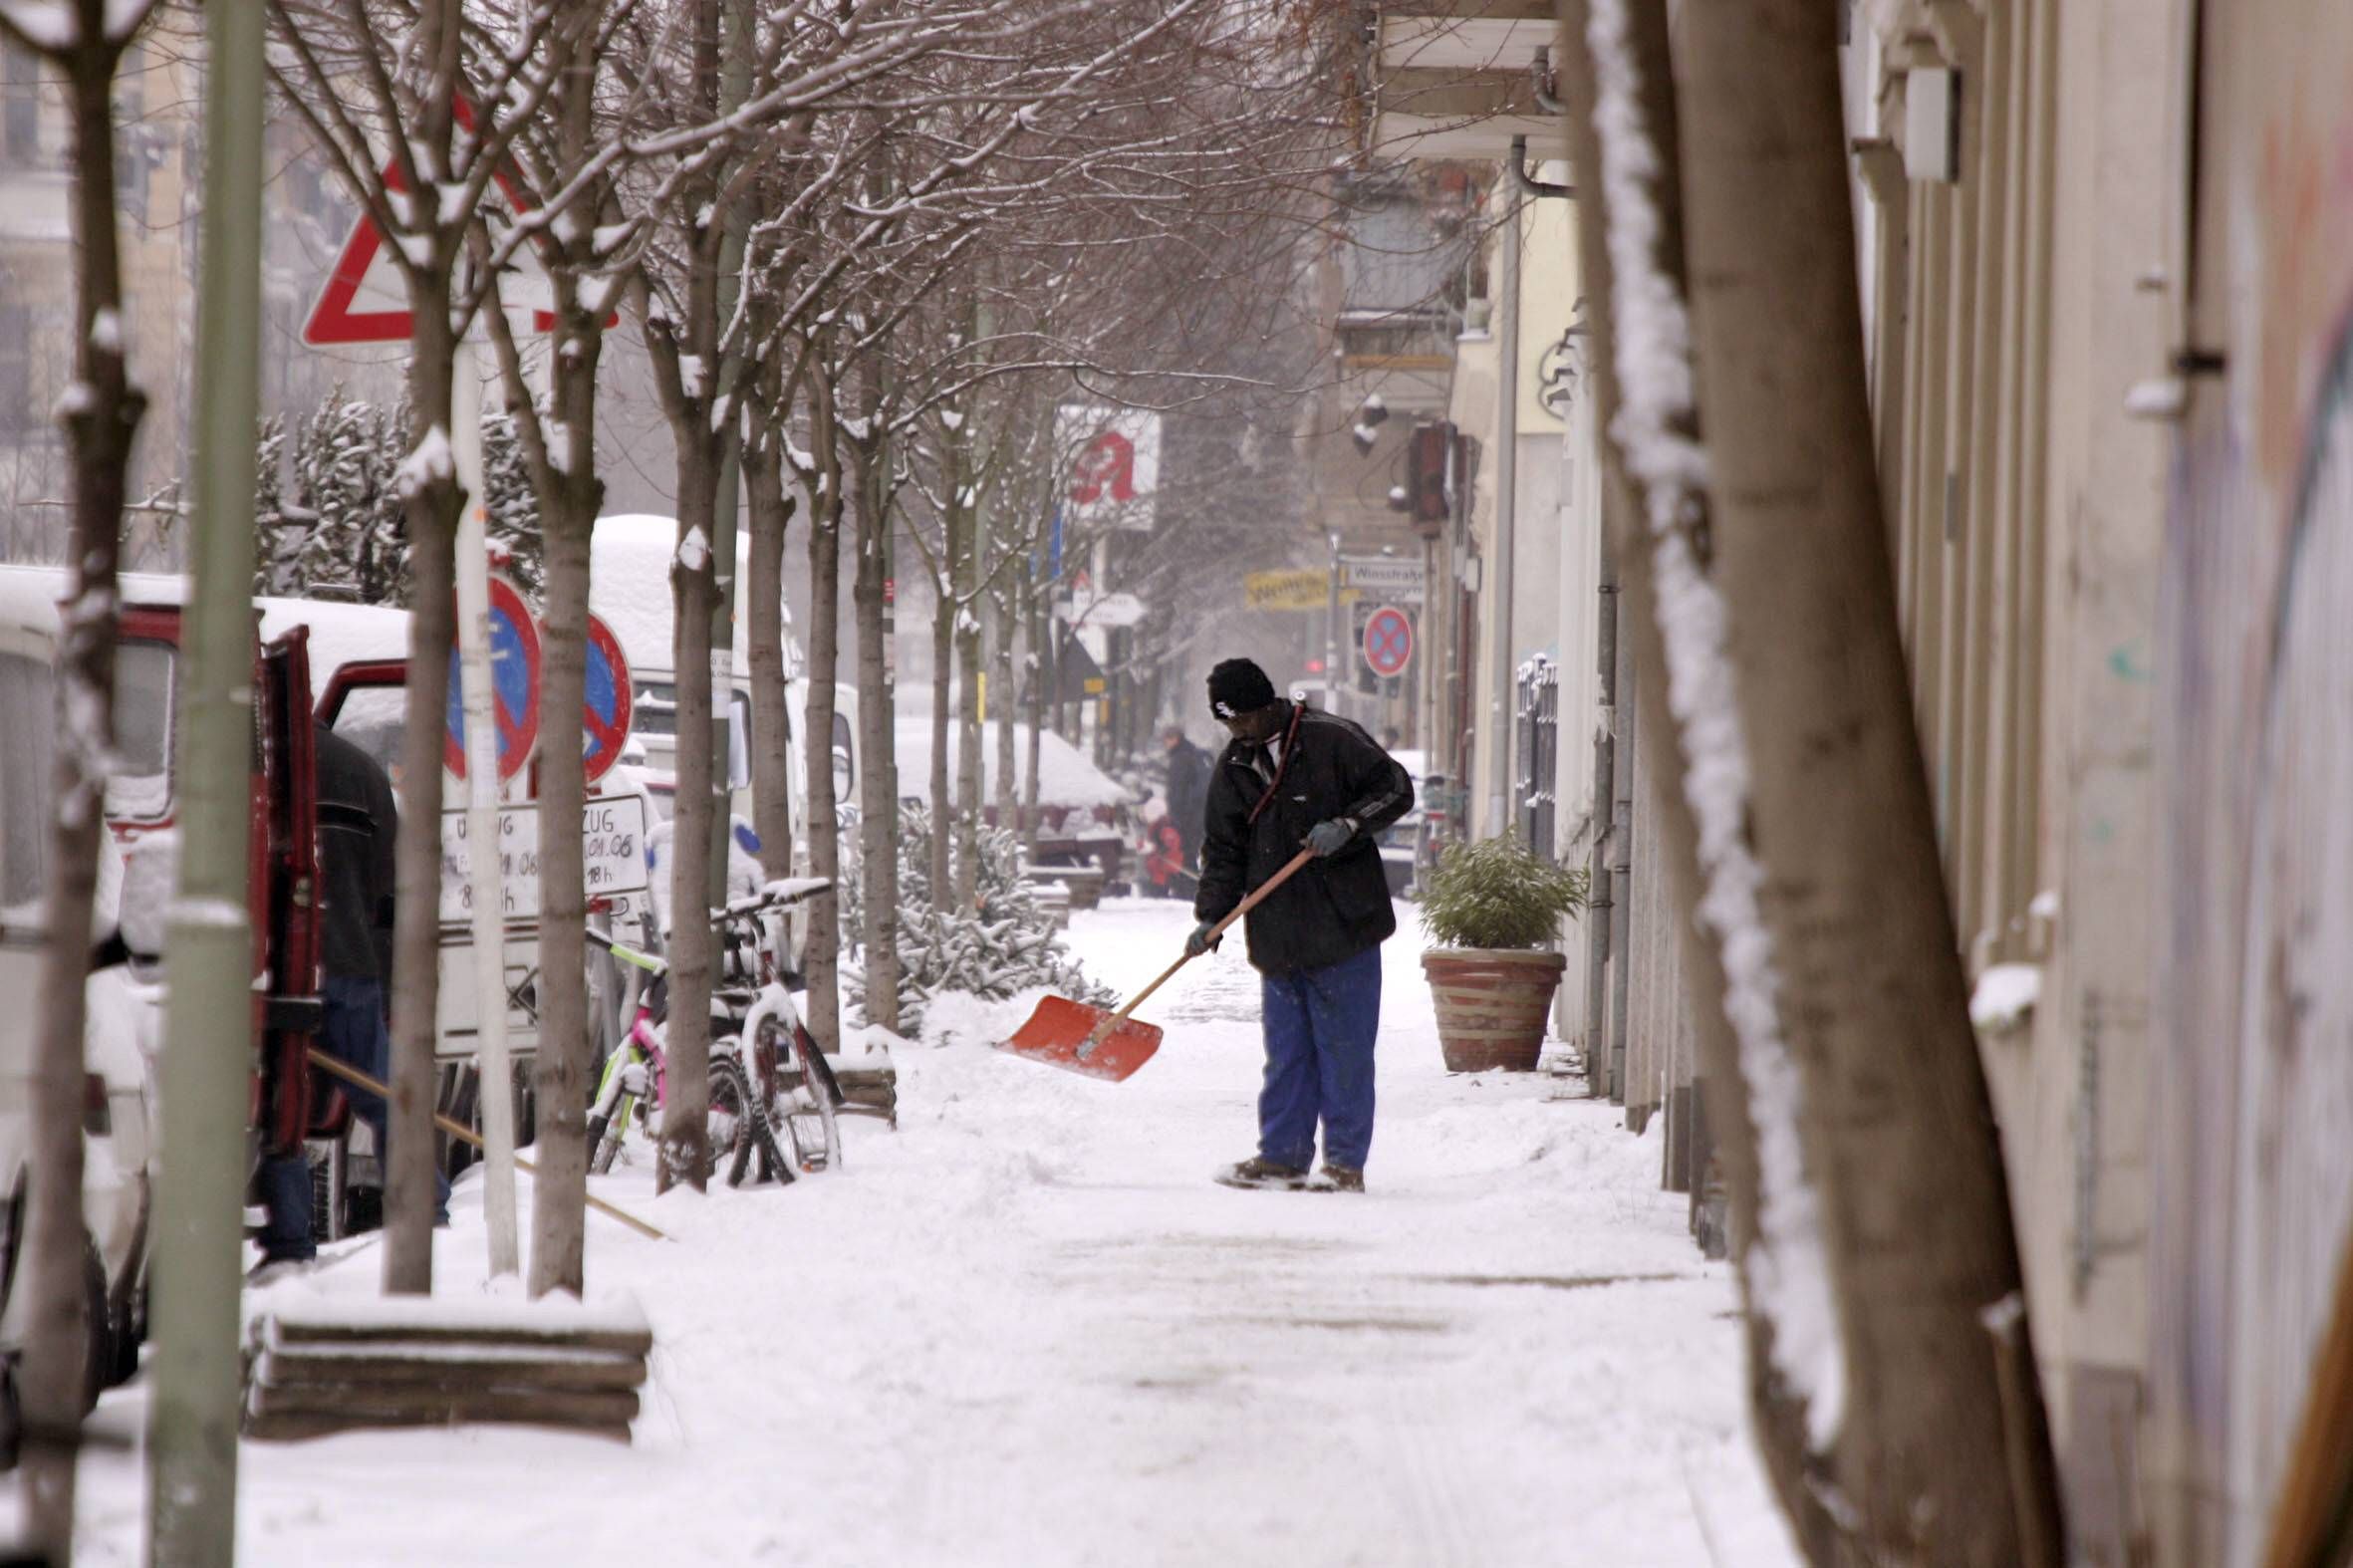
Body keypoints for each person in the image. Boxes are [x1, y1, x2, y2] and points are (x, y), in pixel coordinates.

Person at [1189, 657, 1415, 1192]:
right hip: (1277, 932)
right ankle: (1282, 1156)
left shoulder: (1331, 739)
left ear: (1267, 704)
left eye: (1242, 719)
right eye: (1228, 723)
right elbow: (1223, 851)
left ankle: (1343, 1164)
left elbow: (1396, 788)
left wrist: (1350, 824)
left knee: (1344, 1051)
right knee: (1287, 1054)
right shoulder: (1235, 768)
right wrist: (1211, 917)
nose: (1237, 731)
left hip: (1344, 927)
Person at [254, 723, 443, 1272]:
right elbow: (391, 886)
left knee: (279, 1106)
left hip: (277, 969)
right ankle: (428, 1208)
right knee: (384, 1099)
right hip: (349, 966)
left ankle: (291, 1243)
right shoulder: (362, 772)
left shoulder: (256, 766)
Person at [1161, 722, 1212, 872]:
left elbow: (1177, 791)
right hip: (1201, 813)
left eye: (1169, 738)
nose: (1167, 742)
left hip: (1186, 816)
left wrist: (1174, 817)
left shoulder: (1180, 758)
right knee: (1195, 851)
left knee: (1185, 853)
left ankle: (1187, 889)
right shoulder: (1196, 754)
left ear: (1177, 738)